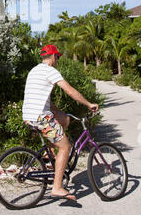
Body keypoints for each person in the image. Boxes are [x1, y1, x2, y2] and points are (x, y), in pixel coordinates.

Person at [22, 44, 98, 202]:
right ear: (53, 57)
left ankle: (49, 155)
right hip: (41, 118)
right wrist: (89, 104)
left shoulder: (34, 70)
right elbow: (70, 91)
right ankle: (57, 187)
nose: (58, 60)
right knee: (65, 146)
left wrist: (58, 112)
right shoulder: (50, 71)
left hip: (28, 115)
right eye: (57, 57)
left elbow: (42, 98)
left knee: (65, 119)